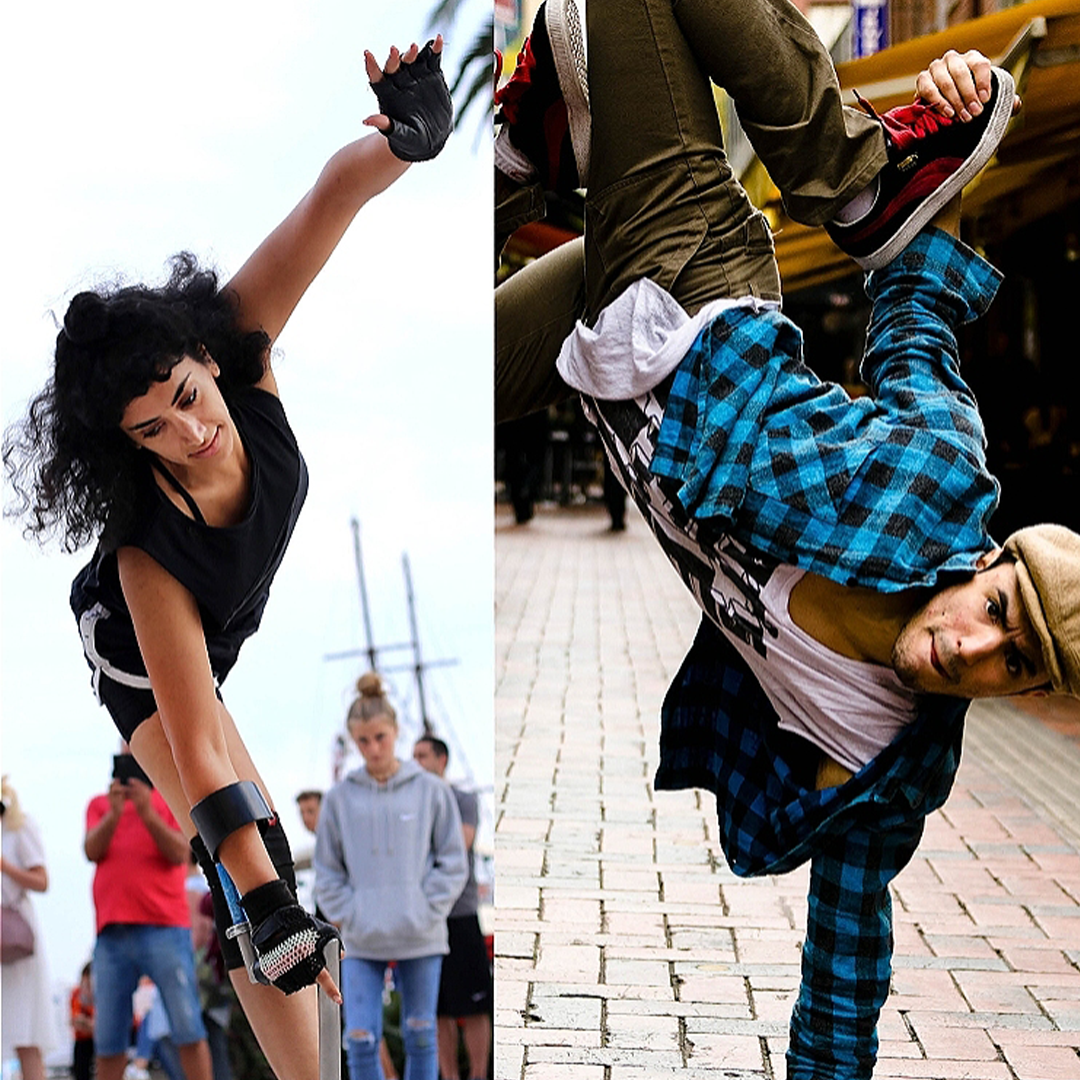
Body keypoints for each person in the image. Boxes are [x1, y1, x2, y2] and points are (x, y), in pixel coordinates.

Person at [494, 2, 1080, 1077]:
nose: (971, 651)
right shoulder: (943, 479)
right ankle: (844, 169)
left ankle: (524, 145)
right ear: (986, 567)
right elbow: (916, 313)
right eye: (995, 614)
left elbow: (844, 968)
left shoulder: (885, 765)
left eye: (1017, 668)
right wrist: (962, 95)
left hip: (614, 351)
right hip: (696, 279)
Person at [3, 31, 453, 1076]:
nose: (189, 432)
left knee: (264, 882)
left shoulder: (241, 352)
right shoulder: (143, 562)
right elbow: (200, 756)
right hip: (144, 658)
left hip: (222, 637)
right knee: (255, 871)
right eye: (152, 430)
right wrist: (267, 904)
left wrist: (411, 134)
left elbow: (333, 198)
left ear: (212, 360)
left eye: (189, 400)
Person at [315, 675, 468, 1080]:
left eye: (380, 737)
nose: (373, 749)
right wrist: (350, 913)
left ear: (396, 732)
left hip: (420, 933)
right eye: (363, 741)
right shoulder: (339, 798)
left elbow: (453, 860)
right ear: (353, 740)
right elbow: (327, 870)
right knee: (360, 1038)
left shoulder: (431, 792)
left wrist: (425, 908)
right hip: (363, 937)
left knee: (421, 1035)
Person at [84, 757, 212, 1080]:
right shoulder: (99, 805)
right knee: (109, 1037)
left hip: (165, 927)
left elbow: (180, 853)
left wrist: (146, 811)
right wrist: (115, 814)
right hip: (112, 932)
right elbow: (91, 850)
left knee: (187, 1027)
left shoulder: (166, 800)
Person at [412, 736, 492, 1080]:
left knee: (473, 1006)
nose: (416, 761)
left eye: (422, 755)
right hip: (426, 920)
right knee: (438, 1010)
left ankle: (478, 1075)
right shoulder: (410, 807)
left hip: (460, 915)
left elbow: (460, 845)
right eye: (412, 756)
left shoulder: (463, 799)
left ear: (441, 759)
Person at [1, 777, 57, 1080]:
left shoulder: (18, 826)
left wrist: (6, 867)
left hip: (15, 938)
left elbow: (42, 881)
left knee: (26, 1031)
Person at [71, 963, 96, 1080]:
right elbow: (75, 1021)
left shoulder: (104, 995)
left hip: (98, 1040)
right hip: (83, 1040)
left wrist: (87, 1023)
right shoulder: (77, 994)